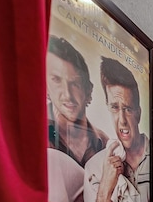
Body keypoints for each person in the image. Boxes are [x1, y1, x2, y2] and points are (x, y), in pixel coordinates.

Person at [82, 57, 149, 202]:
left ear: (138, 112)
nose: (121, 120)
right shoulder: (95, 167)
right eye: (114, 107)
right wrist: (105, 191)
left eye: (128, 109)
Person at [46, 35, 108, 166]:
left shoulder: (105, 145)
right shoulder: (33, 134)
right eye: (56, 80)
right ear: (46, 88)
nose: (68, 94)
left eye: (75, 83)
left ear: (89, 91)